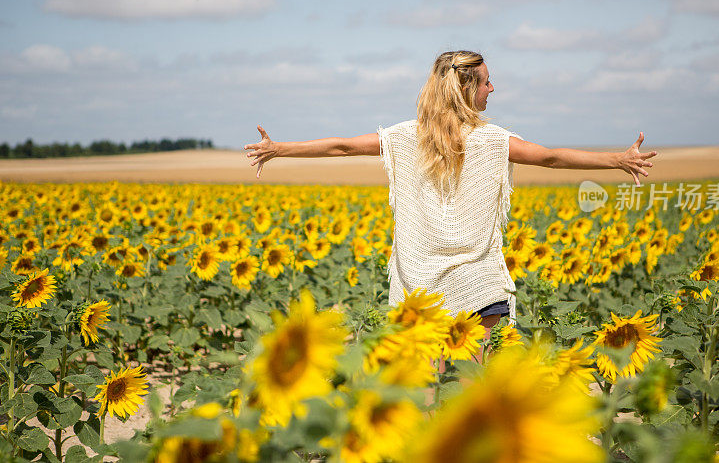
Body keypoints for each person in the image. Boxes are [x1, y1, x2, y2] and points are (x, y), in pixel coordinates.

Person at [243, 50, 656, 344]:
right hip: (479, 280)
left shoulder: (409, 136)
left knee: (430, 390)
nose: (494, 87)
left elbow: (343, 147)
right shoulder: (492, 140)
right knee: (467, 387)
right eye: (487, 81)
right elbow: (549, 157)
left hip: (419, 281)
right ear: (466, 87)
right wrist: (616, 160)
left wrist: (280, 149)